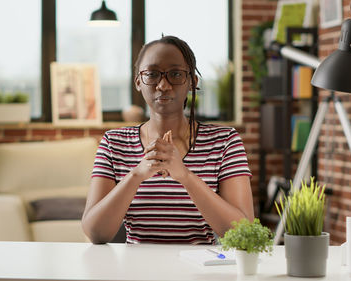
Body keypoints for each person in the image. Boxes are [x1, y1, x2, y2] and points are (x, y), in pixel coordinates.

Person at [82, 35, 254, 244]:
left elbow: (244, 232)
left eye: (175, 74)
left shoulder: (224, 141)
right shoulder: (114, 142)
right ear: (138, 82)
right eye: (152, 74)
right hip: (134, 272)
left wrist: (185, 176)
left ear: (192, 81)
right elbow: (95, 233)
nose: (163, 85)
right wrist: (136, 174)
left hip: (200, 273)